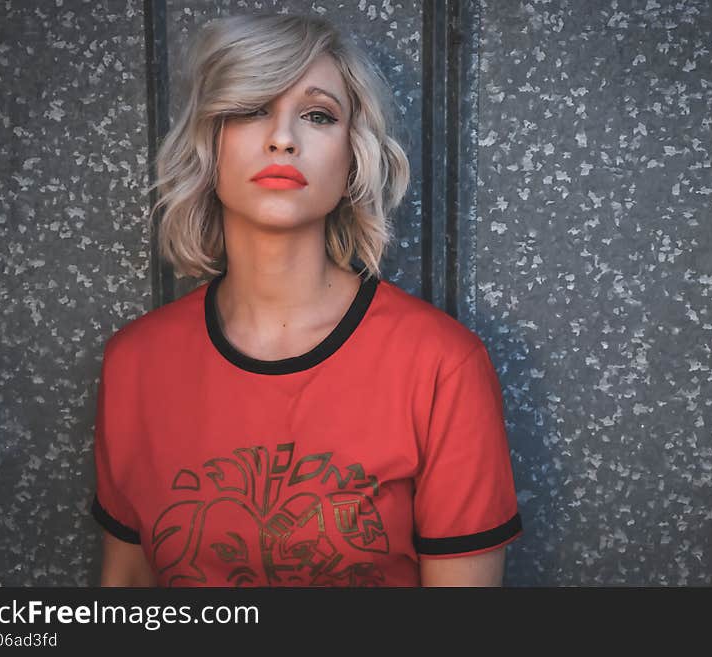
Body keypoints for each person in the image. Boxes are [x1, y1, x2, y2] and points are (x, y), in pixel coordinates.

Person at [91, 11, 522, 587]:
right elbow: (126, 590)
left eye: (318, 115)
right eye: (250, 109)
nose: (282, 138)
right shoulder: (135, 364)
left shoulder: (441, 365)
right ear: (207, 142)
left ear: (352, 157)